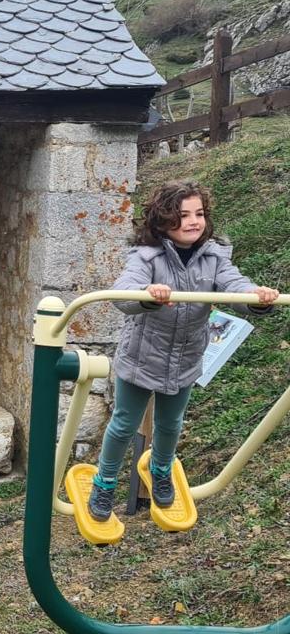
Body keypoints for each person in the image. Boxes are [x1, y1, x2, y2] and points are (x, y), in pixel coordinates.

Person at [87, 180, 280, 522]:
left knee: (170, 423)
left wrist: (256, 295)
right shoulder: (147, 257)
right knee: (123, 424)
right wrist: (147, 292)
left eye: (199, 214)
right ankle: (104, 481)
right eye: (183, 215)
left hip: (187, 357)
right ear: (162, 221)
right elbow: (123, 292)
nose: (194, 221)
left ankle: (161, 469)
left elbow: (235, 285)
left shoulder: (215, 257)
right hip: (142, 357)